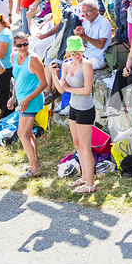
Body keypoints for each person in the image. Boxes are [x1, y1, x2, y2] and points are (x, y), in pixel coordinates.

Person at [50, 36, 96, 193]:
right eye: (74, 51)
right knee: (77, 146)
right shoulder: (66, 65)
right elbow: (61, 89)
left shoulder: (87, 64)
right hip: (73, 108)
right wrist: (54, 75)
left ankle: (90, 184)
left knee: (85, 147)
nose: (77, 54)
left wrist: (68, 88)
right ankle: (84, 177)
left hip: (85, 109)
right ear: (69, 51)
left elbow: (86, 90)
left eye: (80, 51)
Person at [7, 32, 48, 179]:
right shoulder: (14, 57)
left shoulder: (34, 59)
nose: (23, 47)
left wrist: (27, 99)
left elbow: (44, 83)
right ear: (15, 45)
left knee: (22, 133)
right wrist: (13, 97)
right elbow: (17, 80)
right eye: (20, 45)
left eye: (26, 44)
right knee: (28, 133)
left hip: (32, 100)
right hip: (23, 100)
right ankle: (34, 163)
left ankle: (34, 168)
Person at [101, 13, 132, 118]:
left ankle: (118, 105)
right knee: (120, 73)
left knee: (129, 80)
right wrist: (128, 67)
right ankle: (113, 108)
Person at [74, 0, 113, 70]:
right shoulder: (86, 21)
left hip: (98, 59)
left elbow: (101, 45)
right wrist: (79, 36)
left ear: (96, 10)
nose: (85, 14)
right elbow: (85, 43)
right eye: (84, 12)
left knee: (76, 69)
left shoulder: (104, 22)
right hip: (86, 55)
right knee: (66, 64)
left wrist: (85, 36)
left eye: (88, 11)